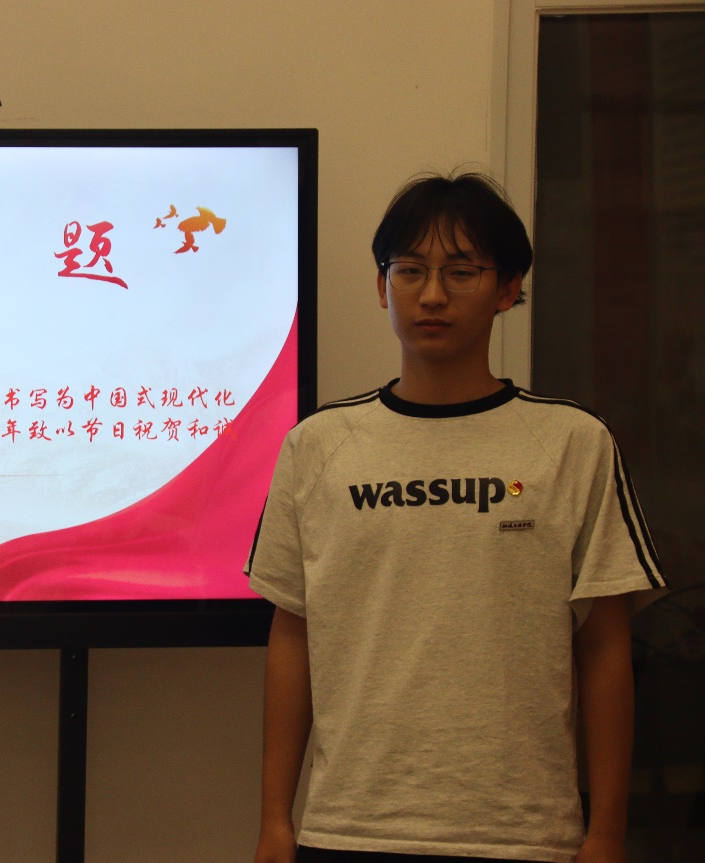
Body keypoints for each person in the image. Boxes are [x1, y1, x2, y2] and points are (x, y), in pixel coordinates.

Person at [246, 172, 667, 863]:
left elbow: (604, 645)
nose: (433, 294)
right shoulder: (318, 446)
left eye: (462, 271)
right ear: (382, 285)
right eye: (410, 270)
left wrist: (608, 831)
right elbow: (293, 635)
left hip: (523, 832)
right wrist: (273, 820)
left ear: (508, 288)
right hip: (350, 825)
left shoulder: (573, 443)